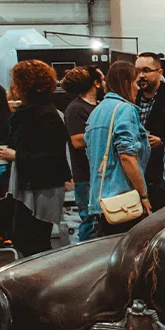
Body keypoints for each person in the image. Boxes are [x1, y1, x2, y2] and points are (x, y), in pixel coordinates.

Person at [0, 61, 71, 257]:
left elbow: (54, 158)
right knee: (27, 240)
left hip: (40, 189)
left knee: (33, 241)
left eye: (16, 82)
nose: (12, 86)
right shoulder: (27, 113)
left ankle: (39, 284)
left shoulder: (46, 115)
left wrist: (16, 156)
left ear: (26, 85)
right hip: (29, 185)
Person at [85, 61, 151, 236]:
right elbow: (127, 156)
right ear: (127, 83)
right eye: (137, 82)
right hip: (122, 200)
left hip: (100, 200)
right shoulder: (125, 110)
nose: (139, 88)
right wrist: (143, 194)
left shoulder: (97, 112)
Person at [60, 66, 104, 242]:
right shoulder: (76, 109)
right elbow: (77, 141)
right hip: (85, 175)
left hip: (97, 173)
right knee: (89, 219)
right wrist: (103, 133)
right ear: (96, 83)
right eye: (102, 78)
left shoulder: (97, 107)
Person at [133, 52, 165, 206]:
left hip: (162, 173)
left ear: (159, 73)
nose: (141, 75)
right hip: (135, 170)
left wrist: (162, 141)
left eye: (146, 70)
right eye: (137, 71)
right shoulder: (131, 97)